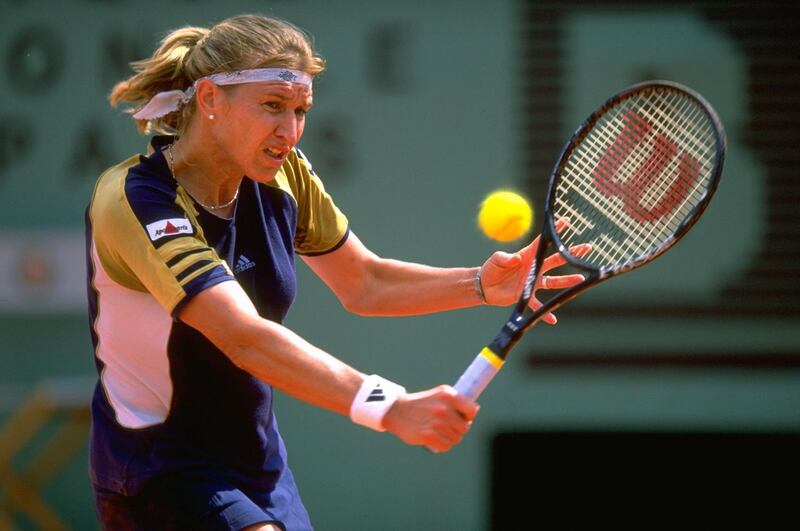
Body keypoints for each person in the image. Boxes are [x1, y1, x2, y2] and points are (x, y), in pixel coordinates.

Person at [84, 14, 584, 531]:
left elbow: (364, 281)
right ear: (210, 99)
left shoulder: (284, 173)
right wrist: (389, 407)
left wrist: (480, 284)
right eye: (273, 107)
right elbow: (243, 337)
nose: (290, 130)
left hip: (258, 467)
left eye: (301, 110)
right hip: (157, 468)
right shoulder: (136, 201)